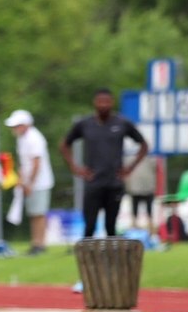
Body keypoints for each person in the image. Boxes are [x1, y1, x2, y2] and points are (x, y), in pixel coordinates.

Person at [60, 89, 148, 239]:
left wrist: (130, 168)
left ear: (112, 103)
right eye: (100, 102)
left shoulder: (122, 123)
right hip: (93, 181)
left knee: (111, 227)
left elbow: (144, 145)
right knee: (90, 226)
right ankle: (87, 253)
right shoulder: (85, 124)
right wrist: (75, 167)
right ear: (95, 103)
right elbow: (64, 145)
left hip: (114, 182)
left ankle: (111, 254)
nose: (103, 105)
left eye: (107, 102)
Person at [5, 109, 54, 254]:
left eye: (17, 125)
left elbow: (36, 164)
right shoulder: (22, 139)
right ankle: (36, 242)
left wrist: (30, 184)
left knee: (38, 213)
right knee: (33, 213)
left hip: (39, 182)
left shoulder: (34, 138)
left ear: (25, 125)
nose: (14, 129)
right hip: (30, 182)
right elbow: (24, 162)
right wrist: (22, 180)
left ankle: (40, 243)